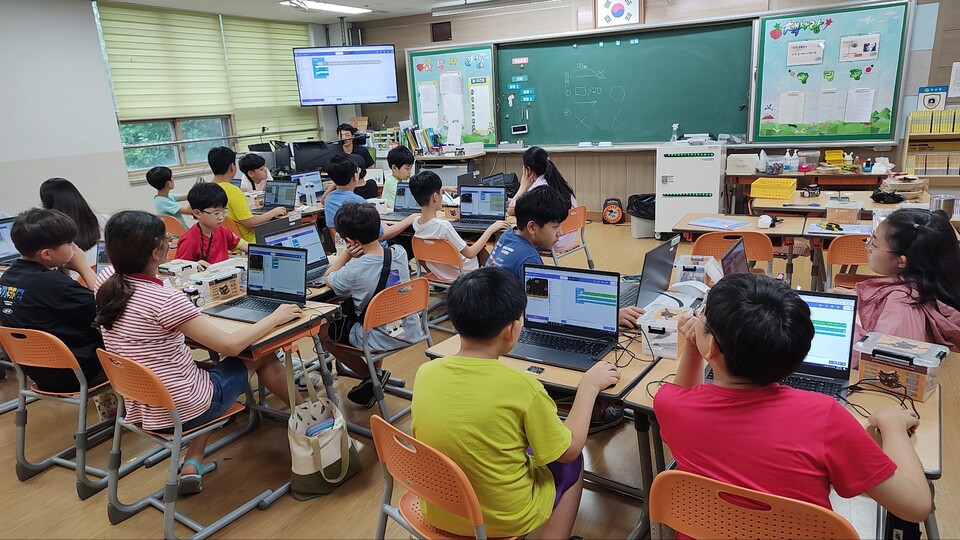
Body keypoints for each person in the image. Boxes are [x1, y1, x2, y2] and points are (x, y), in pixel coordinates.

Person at [655, 273, 931, 523]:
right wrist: (892, 425)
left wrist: (692, 345)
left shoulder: (671, 405)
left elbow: (685, 395)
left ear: (712, 347)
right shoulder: (825, 416)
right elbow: (916, 506)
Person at [94, 211, 303, 495]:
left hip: (140, 402)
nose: (170, 241)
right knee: (261, 354)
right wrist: (275, 317)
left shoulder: (105, 280)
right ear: (156, 252)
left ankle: (194, 460)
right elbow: (230, 346)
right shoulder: (164, 299)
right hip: (184, 409)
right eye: (166, 239)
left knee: (197, 373)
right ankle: (311, 421)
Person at [412, 267, 620, 538]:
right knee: (572, 463)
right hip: (502, 519)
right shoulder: (523, 387)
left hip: (438, 508)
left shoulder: (426, 372)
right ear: (512, 329)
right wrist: (588, 387)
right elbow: (568, 451)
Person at [489, 189, 644, 329]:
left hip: (489, 313)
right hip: (503, 325)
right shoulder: (529, 258)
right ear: (532, 227)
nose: (561, 232)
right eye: (555, 226)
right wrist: (610, 316)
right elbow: (550, 310)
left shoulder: (509, 234)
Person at [323, 202, 425, 407]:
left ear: (349, 240)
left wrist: (346, 255)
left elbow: (328, 278)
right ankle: (375, 372)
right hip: (410, 328)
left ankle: (372, 377)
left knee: (323, 331)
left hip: (378, 336)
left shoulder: (354, 271)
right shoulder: (399, 252)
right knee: (370, 312)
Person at [0, 209, 105, 393]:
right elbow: (105, 307)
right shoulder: (52, 284)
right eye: (69, 244)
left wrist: (63, 270)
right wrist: (83, 267)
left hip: (40, 372)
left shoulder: (7, 278)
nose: (75, 248)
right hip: (78, 373)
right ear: (47, 254)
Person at [831, 208, 960, 352]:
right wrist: (862, 299)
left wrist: (843, 323)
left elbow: (879, 356)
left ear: (901, 261)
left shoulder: (900, 304)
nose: (867, 247)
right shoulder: (931, 285)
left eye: (874, 244)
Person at [409, 170, 508, 280]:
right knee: (480, 249)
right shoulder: (443, 226)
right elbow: (470, 253)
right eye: (442, 192)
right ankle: (496, 281)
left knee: (467, 243)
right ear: (435, 197)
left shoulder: (416, 223)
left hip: (440, 274)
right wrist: (491, 229)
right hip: (461, 273)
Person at [323, 154, 414, 246]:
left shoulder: (329, 200)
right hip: (374, 249)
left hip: (348, 248)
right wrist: (409, 220)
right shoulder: (358, 202)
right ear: (355, 176)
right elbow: (381, 235)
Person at [207, 146, 286, 243]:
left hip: (222, 241)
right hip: (247, 241)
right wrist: (273, 212)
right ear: (232, 167)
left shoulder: (206, 189)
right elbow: (249, 223)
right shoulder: (233, 191)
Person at [507, 146, 578, 252]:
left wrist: (523, 187)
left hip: (553, 241)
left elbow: (511, 210)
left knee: (513, 234)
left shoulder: (540, 189)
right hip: (569, 238)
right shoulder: (559, 182)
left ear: (528, 170)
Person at [39, 177, 108, 267]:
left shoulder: (49, 233)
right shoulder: (105, 220)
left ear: (49, 206)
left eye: (43, 204)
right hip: (104, 272)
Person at [175, 182, 247, 267]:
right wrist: (194, 265)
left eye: (224, 212)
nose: (221, 217)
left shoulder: (222, 231)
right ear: (197, 213)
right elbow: (179, 269)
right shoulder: (189, 240)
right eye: (216, 213)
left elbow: (244, 245)